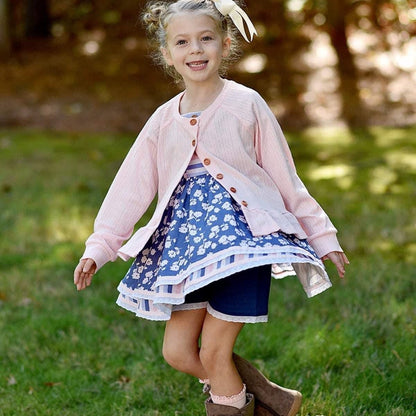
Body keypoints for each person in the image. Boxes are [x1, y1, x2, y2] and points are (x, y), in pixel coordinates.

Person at [74, 0, 349, 415]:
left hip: (242, 245)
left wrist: (322, 236)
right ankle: (271, 399)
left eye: (206, 38)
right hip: (184, 253)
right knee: (179, 352)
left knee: (216, 354)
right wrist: (100, 246)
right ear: (167, 54)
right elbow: (130, 186)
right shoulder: (164, 119)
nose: (195, 50)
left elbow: (286, 178)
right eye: (182, 42)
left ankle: (232, 405)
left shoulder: (246, 104)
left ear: (225, 43)